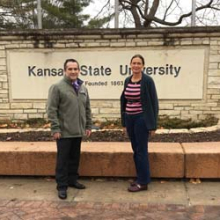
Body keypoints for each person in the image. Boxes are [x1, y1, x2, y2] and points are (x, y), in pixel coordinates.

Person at [47, 58, 92, 200]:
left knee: (75, 158)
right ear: (65, 71)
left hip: (78, 131)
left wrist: (88, 125)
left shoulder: (83, 87)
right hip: (64, 132)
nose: (73, 71)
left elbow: (87, 108)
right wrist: (55, 129)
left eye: (75, 69)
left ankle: (72, 180)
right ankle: (62, 186)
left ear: (79, 70)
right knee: (63, 160)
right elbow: (51, 109)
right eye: (70, 69)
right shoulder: (57, 87)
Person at [120, 54, 159, 192]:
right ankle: (141, 177)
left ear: (143, 66)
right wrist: (124, 123)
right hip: (129, 118)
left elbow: (154, 102)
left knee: (141, 150)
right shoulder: (127, 80)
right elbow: (124, 101)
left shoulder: (147, 81)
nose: (136, 65)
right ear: (130, 65)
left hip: (141, 118)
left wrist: (153, 125)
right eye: (133, 63)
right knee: (135, 149)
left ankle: (143, 182)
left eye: (139, 63)